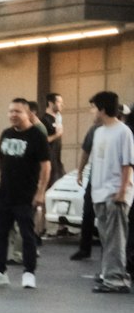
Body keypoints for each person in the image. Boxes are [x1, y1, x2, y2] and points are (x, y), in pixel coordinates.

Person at [0, 98, 51, 289]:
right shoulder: (6, 133)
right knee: (0, 234)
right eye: (10, 111)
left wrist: (40, 192)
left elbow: (46, 167)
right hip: (4, 194)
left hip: (26, 195)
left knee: (27, 234)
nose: (13, 115)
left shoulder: (37, 136)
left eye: (17, 111)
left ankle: (28, 273)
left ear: (28, 114)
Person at [86, 90, 134, 293]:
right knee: (107, 239)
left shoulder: (123, 132)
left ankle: (116, 280)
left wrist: (122, 191)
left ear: (102, 109)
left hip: (115, 193)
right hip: (99, 193)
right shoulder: (99, 132)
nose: (91, 112)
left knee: (116, 239)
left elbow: (127, 164)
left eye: (93, 108)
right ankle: (110, 273)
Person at [70, 102, 101, 262]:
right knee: (88, 212)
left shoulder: (120, 129)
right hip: (95, 177)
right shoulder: (94, 130)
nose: (91, 112)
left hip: (113, 181)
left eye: (94, 108)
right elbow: (85, 151)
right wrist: (80, 172)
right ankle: (84, 248)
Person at [42, 92, 65, 184]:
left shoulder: (57, 119)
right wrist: (56, 135)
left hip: (57, 162)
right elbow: (42, 141)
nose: (62, 105)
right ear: (51, 103)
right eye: (59, 102)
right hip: (49, 164)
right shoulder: (44, 120)